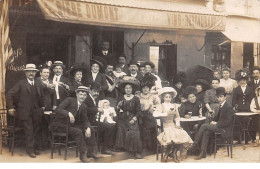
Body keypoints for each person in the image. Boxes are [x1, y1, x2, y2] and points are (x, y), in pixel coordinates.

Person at [6, 64, 45, 158]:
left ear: (35, 73)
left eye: (33, 71)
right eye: (29, 71)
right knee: (29, 131)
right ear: (26, 73)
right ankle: (30, 150)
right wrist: (10, 107)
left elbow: (42, 96)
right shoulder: (21, 83)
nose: (31, 73)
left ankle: (33, 148)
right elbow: (9, 94)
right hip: (25, 112)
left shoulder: (38, 83)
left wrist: (43, 106)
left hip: (36, 112)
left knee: (36, 130)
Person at [189, 87, 234, 160]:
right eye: (218, 97)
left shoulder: (228, 107)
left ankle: (195, 143)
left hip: (224, 129)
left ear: (225, 97)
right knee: (206, 131)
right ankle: (203, 153)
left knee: (204, 126)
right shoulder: (222, 105)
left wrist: (216, 123)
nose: (219, 98)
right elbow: (218, 117)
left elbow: (228, 121)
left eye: (221, 96)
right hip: (220, 127)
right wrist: (212, 117)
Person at [54, 86, 95, 162]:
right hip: (60, 125)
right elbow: (58, 109)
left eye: (84, 95)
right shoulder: (69, 100)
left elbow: (85, 119)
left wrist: (88, 127)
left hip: (71, 126)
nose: (82, 97)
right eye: (80, 94)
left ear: (86, 96)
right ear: (76, 94)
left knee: (91, 129)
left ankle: (90, 152)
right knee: (78, 131)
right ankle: (82, 154)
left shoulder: (83, 106)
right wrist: (68, 113)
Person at [156, 87, 193, 157]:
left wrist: (177, 124)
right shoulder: (161, 105)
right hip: (165, 126)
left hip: (173, 125)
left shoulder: (174, 105)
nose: (168, 98)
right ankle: (168, 153)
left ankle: (174, 153)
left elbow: (177, 117)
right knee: (172, 135)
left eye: (170, 97)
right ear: (163, 97)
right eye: (166, 97)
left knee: (182, 133)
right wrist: (165, 114)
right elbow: (155, 114)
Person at [84, 82, 116, 155]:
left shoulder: (94, 98)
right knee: (109, 126)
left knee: (111, 125)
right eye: (94, 91)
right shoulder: (86, 98)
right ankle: (104, 148)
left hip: (94, 121)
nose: (96, 93)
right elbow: (85, 109)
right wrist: (97, 110)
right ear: (90, 90)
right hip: (87, 121)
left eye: (98, 92)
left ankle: (106, 147)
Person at [115, 76, 143, 159]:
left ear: (132, 89)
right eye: (126, 88)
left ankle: (136, 151)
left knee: (133, 131)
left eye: (129, 88)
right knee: (120, 127)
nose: (128, 90)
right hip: (122, 118)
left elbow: (138, 111)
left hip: (132, 118)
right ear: (124, 89)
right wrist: (118, 107)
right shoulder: (120, 98)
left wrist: (134, 119)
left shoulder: (136, 99)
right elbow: (117, 109)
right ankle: (122, 147)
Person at [137, 73, 160, 151]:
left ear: (149, 88)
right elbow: (135, 106)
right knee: (144, 129)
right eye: (144, 88)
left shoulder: (153, 96)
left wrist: (153, 108)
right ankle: (144, 146)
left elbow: (158, 105)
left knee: (153, 126)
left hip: (149, 115)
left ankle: (153, 147)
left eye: (147, 88)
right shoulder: (138, 96)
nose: (145, 89)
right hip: (140, 115)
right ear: (141, 89)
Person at [36, 66, 57, 150]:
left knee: (48, 125)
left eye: (48, 72)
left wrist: (55, 104)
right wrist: (47, 85)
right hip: (39, 106)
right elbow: (40, 87)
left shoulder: (51, 81)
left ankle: (47, 143)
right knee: (39, 125)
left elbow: (54, 94)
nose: (46, 74)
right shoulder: (37, 81)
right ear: (40, 73)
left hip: (49, 106)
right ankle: (39, 145)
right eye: (44, 72)